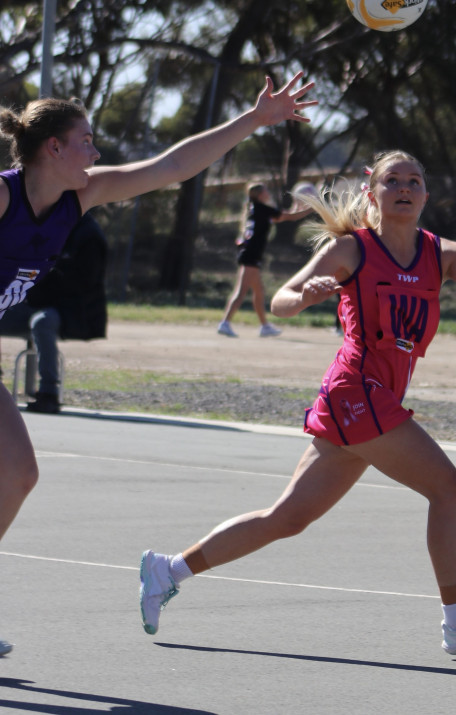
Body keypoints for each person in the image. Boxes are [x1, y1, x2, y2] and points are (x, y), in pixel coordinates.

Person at [140, 150, 456, 655]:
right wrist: (306, 296)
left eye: (414, 181)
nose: (405, 188)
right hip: (356, 390)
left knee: (287, 518)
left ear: (426, 195)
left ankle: (167, 570)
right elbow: (281, 299)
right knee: (448, 488)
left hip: (372, 400)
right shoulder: (353, 249)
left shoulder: (443, 253)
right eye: (393, 180)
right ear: (373, 193)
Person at [0, 71, 317, 656]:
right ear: (54, 148)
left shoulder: (77, 198)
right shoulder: (3, 197)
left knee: (18, 474)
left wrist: (254, 119)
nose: (96, 152)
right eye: (86, 141)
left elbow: (172, 167)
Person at [0, 211, 108, 414]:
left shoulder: (88, 234)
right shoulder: (48, 227)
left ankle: (49, 393)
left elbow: (83, 283)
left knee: (42, 323)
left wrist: (43, 284)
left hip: (73, 310)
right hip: (37, 301)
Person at [217, 182, 311, 338]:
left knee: (259, 291)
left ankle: (264, 326)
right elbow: (290, 216)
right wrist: (312, 207)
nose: (268, 192)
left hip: (249, 253)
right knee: (241, 291)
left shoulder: (255, 208)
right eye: (266, 190)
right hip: (251, 255)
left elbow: (283, 216)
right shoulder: (262, 209)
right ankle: (225, 323)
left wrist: (297, 205)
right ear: (260, 195)